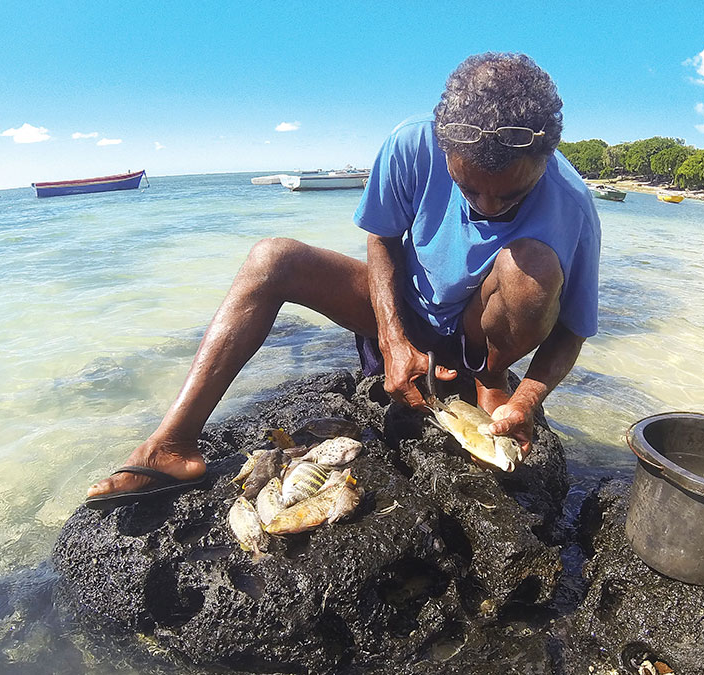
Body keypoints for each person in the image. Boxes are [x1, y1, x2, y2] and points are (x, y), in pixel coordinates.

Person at [84, 52, 601, 510]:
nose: (486, 207)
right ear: (444, 146)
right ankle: (173, 443)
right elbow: (381, 240)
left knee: (529, 269)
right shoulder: (410, 144)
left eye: (510, 196)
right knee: (272, 258)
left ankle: (491, 378)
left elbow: (572, 329)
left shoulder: (572, 205)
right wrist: (394, 339)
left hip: (477, 329)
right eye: (469, 188)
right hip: (405, 310)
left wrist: (530, 397)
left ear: (544, 160)